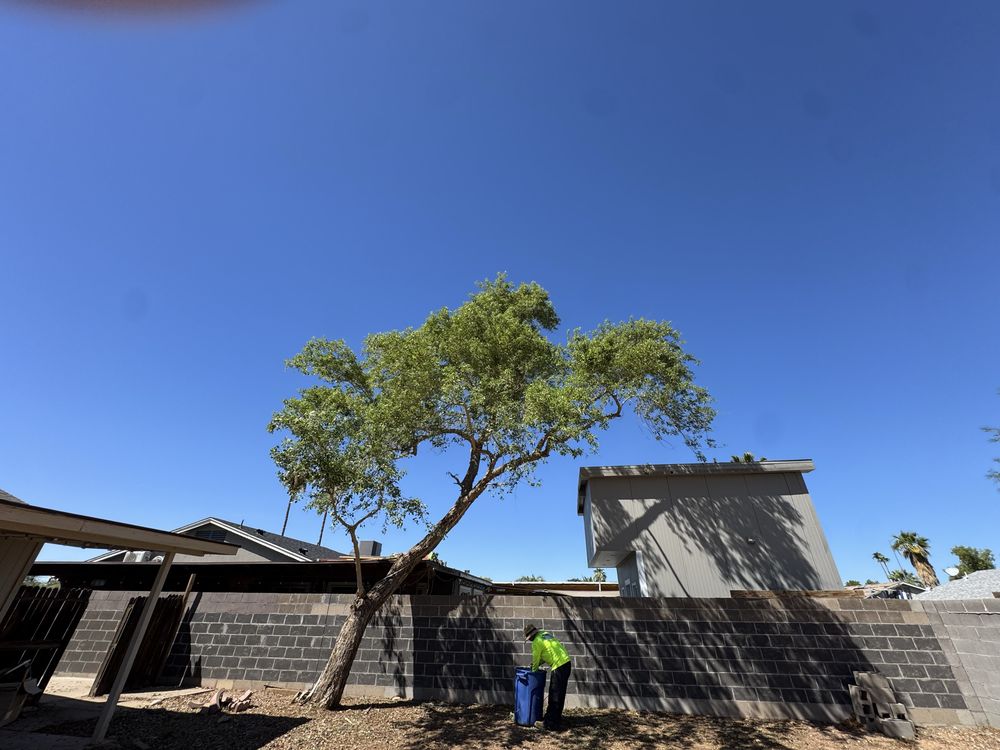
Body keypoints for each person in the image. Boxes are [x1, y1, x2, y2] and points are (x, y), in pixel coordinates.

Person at [523, 623, 572, 731]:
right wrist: (539, 664)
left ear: (530, 637)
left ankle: (548, 724)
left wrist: (533, 671)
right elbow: (546, 654)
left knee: (554, 695)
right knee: (560, 694)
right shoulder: (545, 634)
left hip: (558, 666)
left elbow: (535, 660)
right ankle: (556, 720)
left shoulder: (536, 642)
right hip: (566, 663)